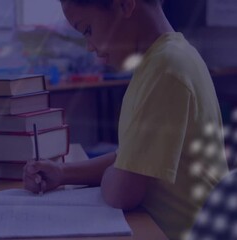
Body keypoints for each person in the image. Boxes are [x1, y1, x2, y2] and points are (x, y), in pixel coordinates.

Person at [23, 0, 229, 239]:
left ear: (125, 5)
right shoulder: (165, 59)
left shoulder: (167, 68)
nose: (89, 46)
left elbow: (123, 191)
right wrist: (62, 173)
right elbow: (131, 158)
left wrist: (118, 172)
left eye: (87, 29)